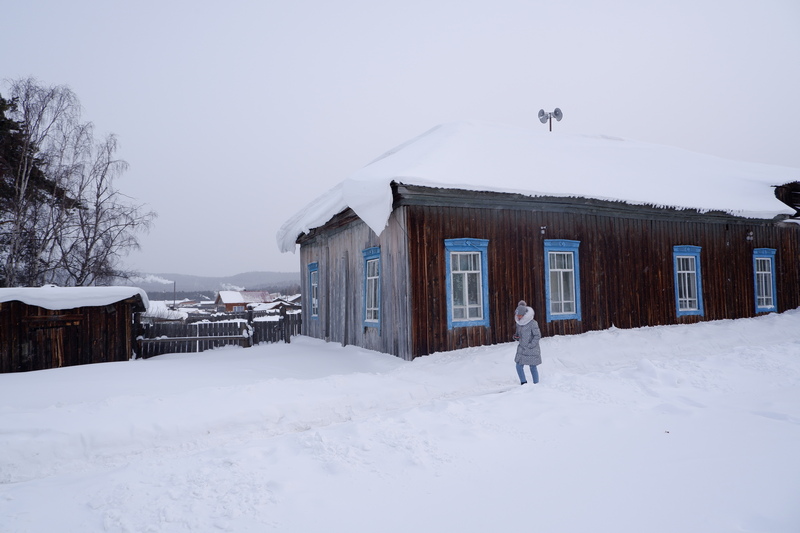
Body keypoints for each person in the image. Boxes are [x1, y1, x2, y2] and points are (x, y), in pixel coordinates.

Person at [513, 300, 541, 385]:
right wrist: (515, 337)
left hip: (531, 348)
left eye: (520, 315)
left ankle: (536, 384)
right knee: (518, 365)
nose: (518, 317)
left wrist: (530, 345)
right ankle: (523, 383)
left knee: (532, 366)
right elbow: (518, 334)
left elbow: (537, 336)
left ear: (524, 315)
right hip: (522, 348)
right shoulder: (519, 323)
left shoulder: (533, 323)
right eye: (517, 315)